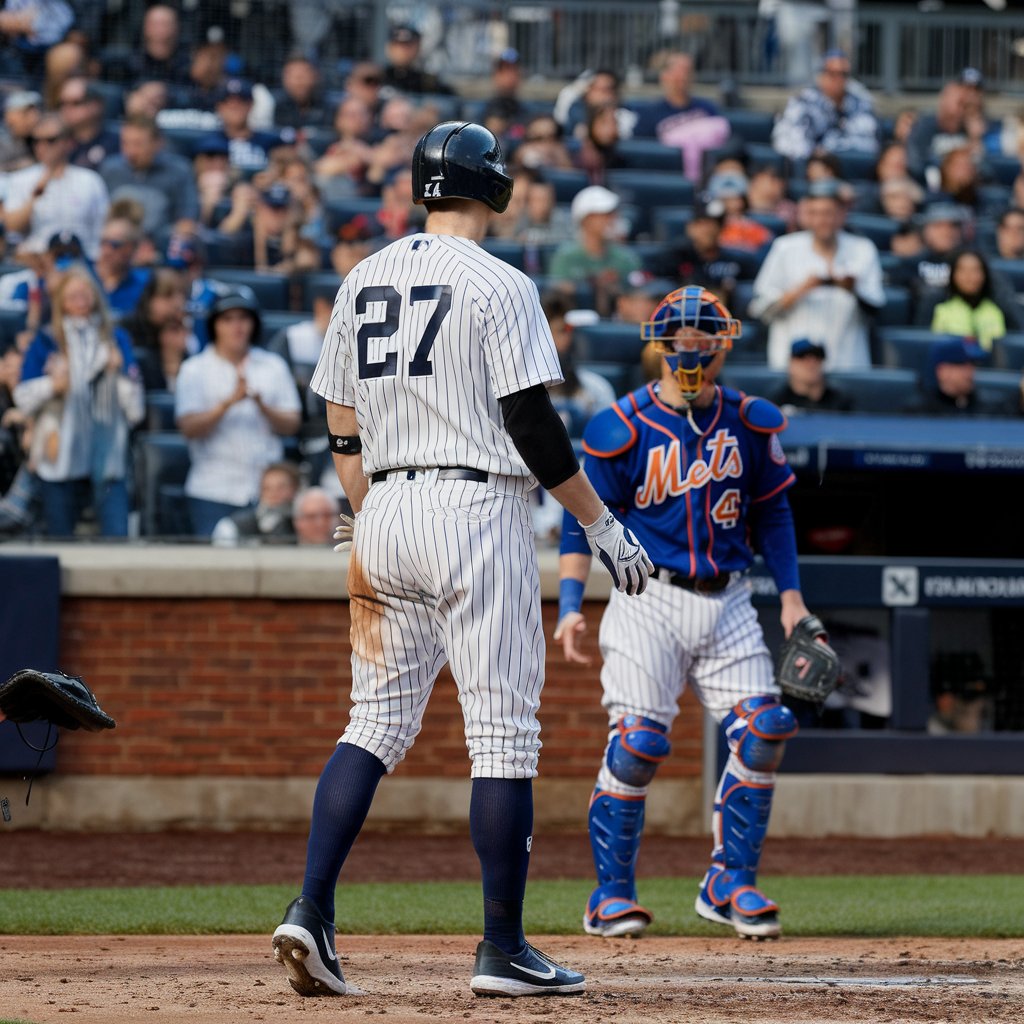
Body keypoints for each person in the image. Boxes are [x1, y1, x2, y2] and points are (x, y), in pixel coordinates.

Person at [270, 120, 652, 1001]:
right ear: (494, 185)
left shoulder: (363, 276)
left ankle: (311, 908)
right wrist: (600, 525)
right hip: (476, 505)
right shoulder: (501, 281)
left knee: (371, 726)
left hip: (384, 505)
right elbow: (531, 423)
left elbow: (338, 416)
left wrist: (370, 515)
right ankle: (503, 948)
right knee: (504, 736)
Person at [554, 284, 816, 941]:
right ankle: (610, 895)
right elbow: (582, 521)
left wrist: (790, 595)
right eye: (682, 339)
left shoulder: (751, 420)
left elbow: (774, 512)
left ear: (723, 345)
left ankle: (731, 881)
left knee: (765, 730)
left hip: (728, 596)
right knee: (640, 742)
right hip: (648, 596)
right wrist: (568, 605)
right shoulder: (625, 424)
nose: (693, 350)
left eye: (706, 338)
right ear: (661, 346)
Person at [13, 266, 144, 537]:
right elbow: (23, 398)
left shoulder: (115, 339)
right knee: (61, 542)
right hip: (60, 455)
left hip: (106, 454)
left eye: (86, 295)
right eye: (73, 297)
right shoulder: (48, 340)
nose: (81, 303)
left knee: (116, 538)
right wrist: (53, 385)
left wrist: (117, 374)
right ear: (61, 302)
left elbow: (135, 410)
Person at [174, 290, 301, 537]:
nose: (237, 326)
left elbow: (292, 423)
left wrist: (262, 406)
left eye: (243, 318)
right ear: (215, 325)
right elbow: (188, 428)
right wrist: (227, 403)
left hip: (265, 491)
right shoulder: (194, 369)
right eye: (228, 319)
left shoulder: (273, 365)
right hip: (212, 489)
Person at [750, 179, 885, 370]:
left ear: (841, 214)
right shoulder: (785, 248)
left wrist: (852, 288)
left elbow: (877, 307)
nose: (821, 220)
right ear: (805, 216)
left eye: (828, 213)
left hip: (847, 362)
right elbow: (760, 309)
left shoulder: (863, 249)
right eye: (814, 213)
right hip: (791, 367)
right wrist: (803, 288)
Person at [3, 113, 109, 260]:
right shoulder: (20, 179)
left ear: (68, 142)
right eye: (36, 141)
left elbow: (102, 229)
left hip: (82, 263)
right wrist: (37, 193)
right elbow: (12, 227)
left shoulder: (90, 180)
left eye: (50, 140)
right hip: (37, 261)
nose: (42, 146)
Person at [629, 52, 729, 181]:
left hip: (706, 174)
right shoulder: (649, 113)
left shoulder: (707, 108)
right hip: (666, 176)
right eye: (677, 71)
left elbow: (722, 143)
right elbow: (642, 153)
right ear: (664, 76)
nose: (683, 76)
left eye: (687, 71)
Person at [98, 114, 199, 238]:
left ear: (158, 143)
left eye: (138, 144)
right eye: (125, 143)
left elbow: (187, 222)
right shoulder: (110, 168)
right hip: (116, 246)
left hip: (160, 247)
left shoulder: (179, 171)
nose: (131, 152)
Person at [771, 48, 879, 163]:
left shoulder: (861, 103)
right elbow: (789, 145)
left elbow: (870, 145)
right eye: (832, 73)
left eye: (843, 74)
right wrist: (816, 157)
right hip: (816, 171)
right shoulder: (804, 103)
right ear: (821, 75)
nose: (838, 79)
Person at [548, 185, 642, 317]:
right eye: (604, 215)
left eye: (612, 214)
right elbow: (557, 297)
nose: (612, 219)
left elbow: (637, 293)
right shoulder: (566, 256)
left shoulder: (626, 257)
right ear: (586, 220)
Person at [120, 266, 196, 391]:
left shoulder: (179, 330)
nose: (178, 303)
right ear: (149, 299)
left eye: (182, 295)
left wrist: (173, 359)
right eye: (167, 295)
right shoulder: (127, 329)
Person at [927, 250, 1017, 352]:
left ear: (984, 275)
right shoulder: (941, 310)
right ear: (953, 275)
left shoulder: (996, 311)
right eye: (963, 270)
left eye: (976, 270)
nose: (969, 276)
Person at [903, 336, 1009, 416]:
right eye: (963, 366)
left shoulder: (991, 407)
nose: (971, 373)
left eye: (973, 365)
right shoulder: (919, 412)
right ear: (943, 371)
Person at [211, 460, 300, 546]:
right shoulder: (235, 525)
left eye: (281, 487)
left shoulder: (307, 521)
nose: (274, 493)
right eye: (267, 488)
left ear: (295, 489)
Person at [769, 337, 855, 412]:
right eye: (802, 358)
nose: (811, 364)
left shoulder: (840, 401)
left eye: (817, 358)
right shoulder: (777, 400)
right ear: (791, 363)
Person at [94, 215, 151, 317]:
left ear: (132, 248)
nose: (107, 251)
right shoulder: (86, 280)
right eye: (103, 242)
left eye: (114, 245)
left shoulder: (145, 283)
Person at [59, 77, 118, 172]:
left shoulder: (116, 142)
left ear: (95, 105)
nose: (67, 109)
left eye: (76, 103)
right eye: (63, 103)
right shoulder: (56, 141)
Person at [381, 23, 454, 96]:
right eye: (398, 45)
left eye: (407, 46)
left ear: (417, 47)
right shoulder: (378, 77)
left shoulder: (427, 82)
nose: (402, 51)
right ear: (389, 48)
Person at [273, 51, 330, 131]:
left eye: (303, 76)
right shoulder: (274, 107)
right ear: (284, 79)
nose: (299, 83)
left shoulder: (331, 108)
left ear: (315, 76)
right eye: (294, 77)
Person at [0, 89, 41, 172]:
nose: (34, 118)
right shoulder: (2, 141)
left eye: (34, 112)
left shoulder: (39, 138)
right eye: (25, 113)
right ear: (9, 117)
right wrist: (18, 166)